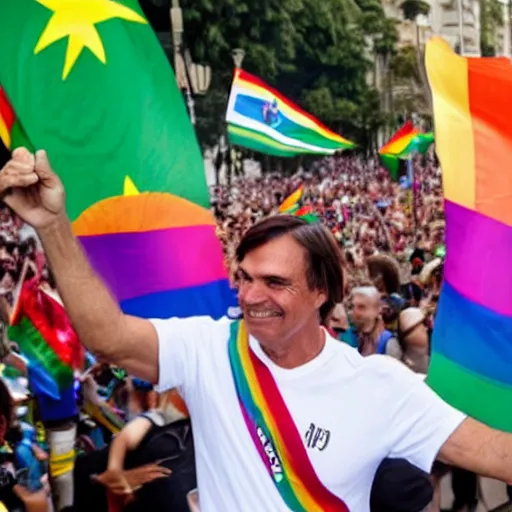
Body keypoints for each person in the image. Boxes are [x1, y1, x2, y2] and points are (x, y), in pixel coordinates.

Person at [1, 148, 512, 511]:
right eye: (243, 278)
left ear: (321, 294)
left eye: (275, 282)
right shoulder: (207, 347)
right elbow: (106, 335)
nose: (250, 296)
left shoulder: (382, 385)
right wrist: (52, 225)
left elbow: (493, 452)